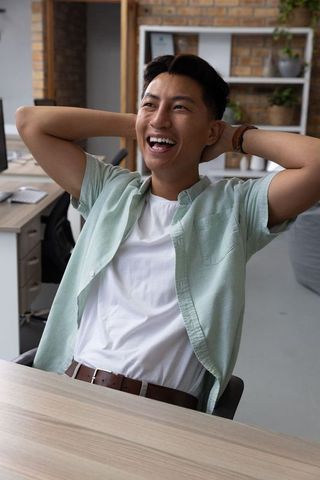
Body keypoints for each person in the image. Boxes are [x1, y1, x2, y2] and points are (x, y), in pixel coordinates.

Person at [16, 54, 320, 413]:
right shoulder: (109, 190)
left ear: (212, 130)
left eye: (181, 108)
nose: (160, 117)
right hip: (75, 391)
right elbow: (30, 122)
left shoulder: (235, 208)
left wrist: (235, 137)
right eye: (150, 104)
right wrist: (149, 124)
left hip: (163, 414)